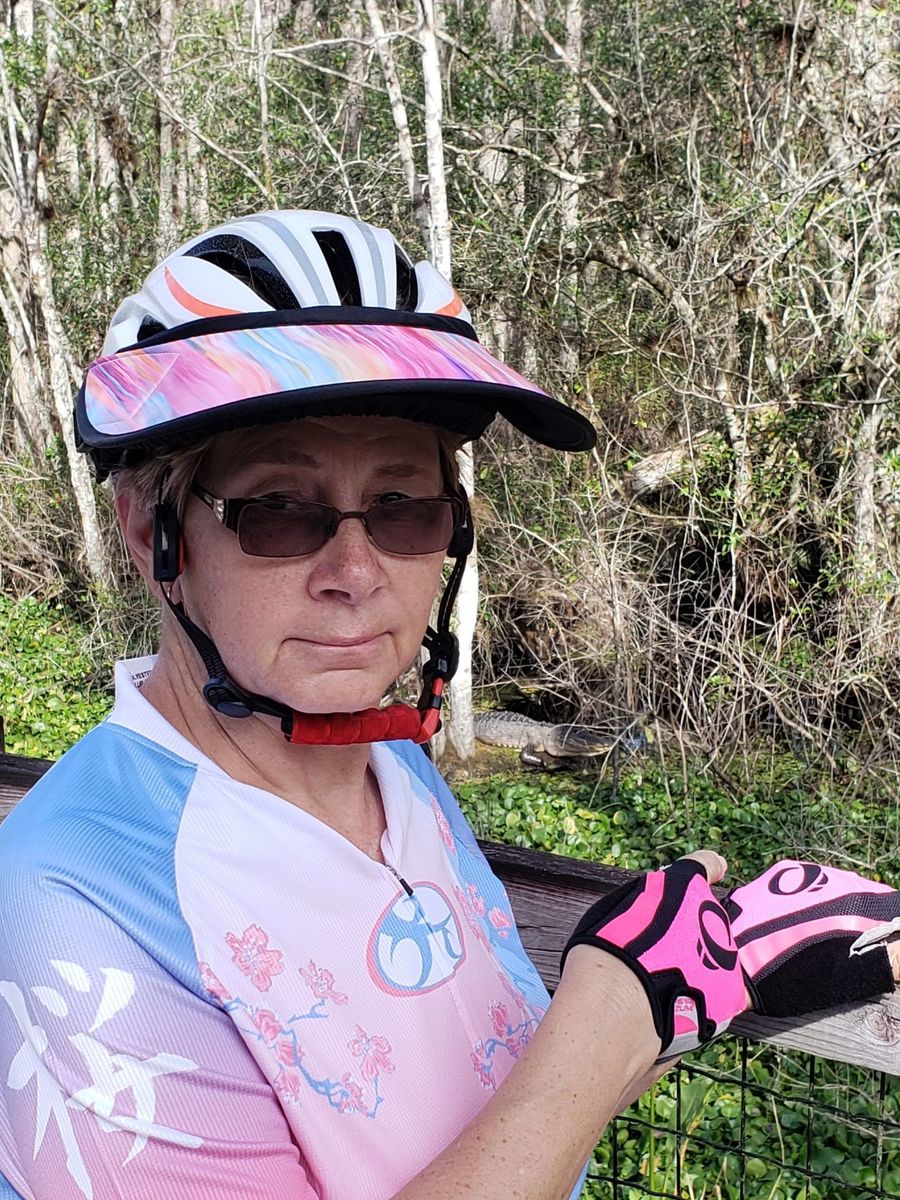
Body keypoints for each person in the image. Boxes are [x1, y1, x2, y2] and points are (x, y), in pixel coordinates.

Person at [0, 211, 897, 1200]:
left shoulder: (396, 773)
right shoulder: (72, 900)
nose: (356, 572)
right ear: (150, 533)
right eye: (280, 511)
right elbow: (560, 1088)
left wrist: (688, 987)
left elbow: (497, 1111)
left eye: (404, 507)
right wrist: (607, 1019)